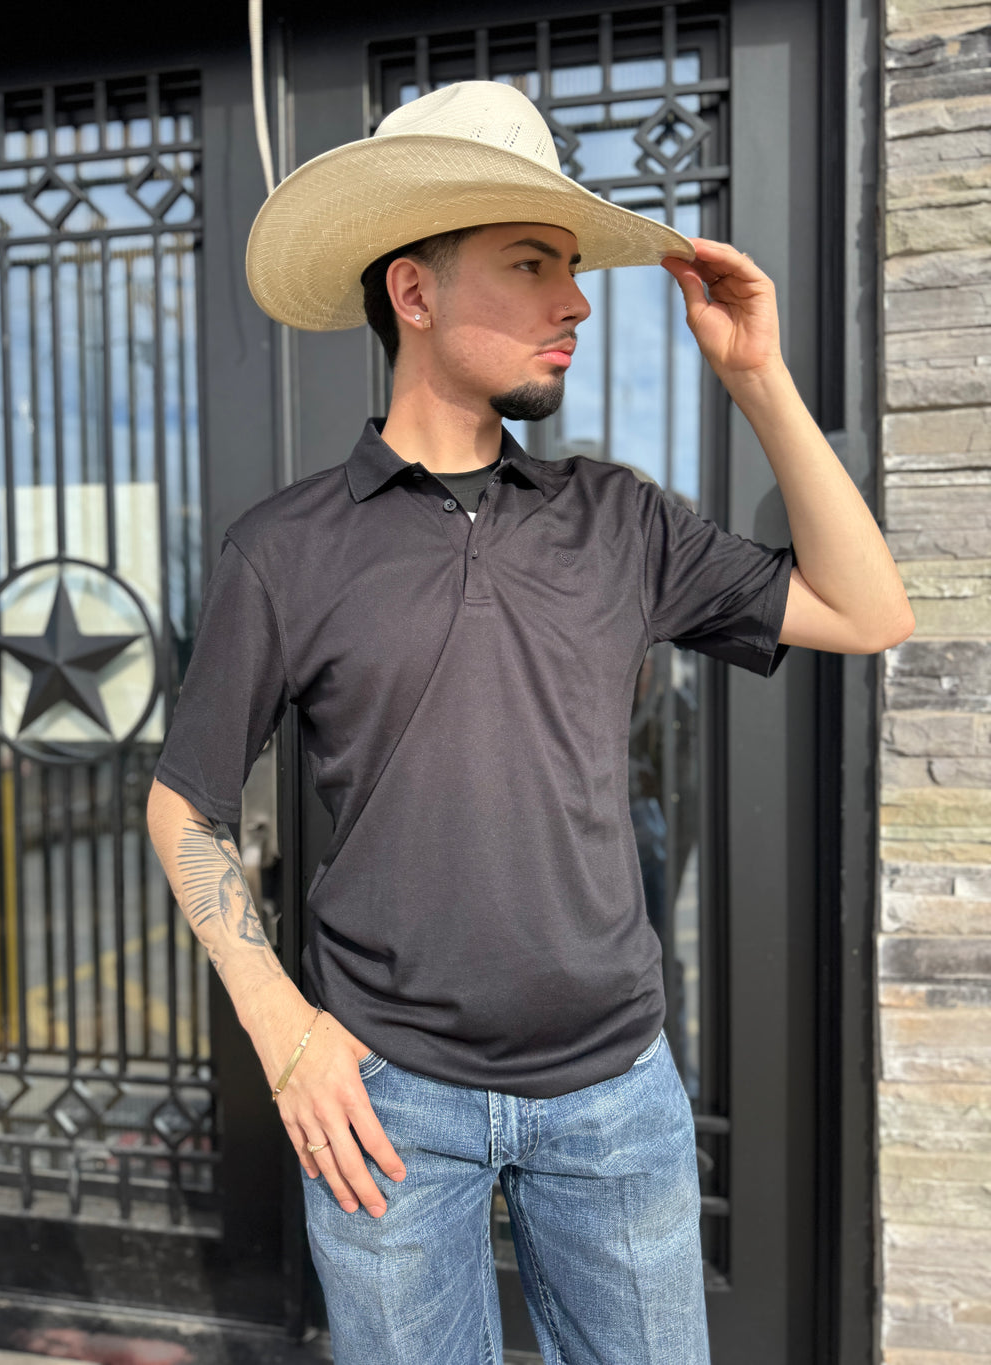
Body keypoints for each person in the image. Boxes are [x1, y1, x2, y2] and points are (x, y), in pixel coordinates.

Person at [147, 81, 912, 1364]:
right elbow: (186, 800)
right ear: (412, 290)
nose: (577, 302)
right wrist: (283, 1033)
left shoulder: (618, 519)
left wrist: (758, 378)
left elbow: (867, 610)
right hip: (387, 1103)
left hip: (615, 1095)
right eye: (530, 264)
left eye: (570, 266)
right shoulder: (283, 549)